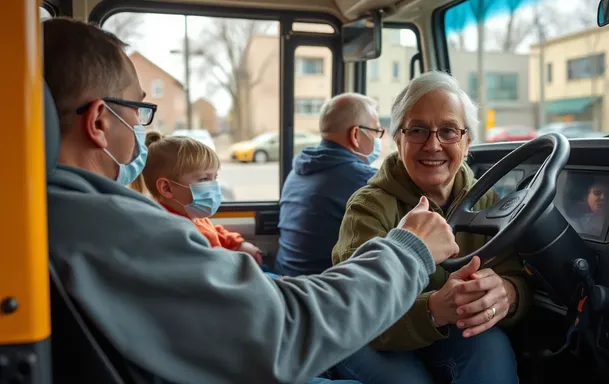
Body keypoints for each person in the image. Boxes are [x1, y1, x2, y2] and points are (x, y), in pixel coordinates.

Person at [43, 17, 467, 383]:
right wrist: (409, 251)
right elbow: (281, 332)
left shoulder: (69, 213)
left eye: (450, 131)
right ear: (100, 121)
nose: (141, 124)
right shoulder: (110, 227)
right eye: (136, 109)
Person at [329, 71, 532, 384]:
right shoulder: (367, 207)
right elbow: (356, 309)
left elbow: (515, 275)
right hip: (371, 336)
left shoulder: (487, 198)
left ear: (466, 142)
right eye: (418, 130)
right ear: (398, 139)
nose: (433, 144)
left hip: (448, 333)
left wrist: (507, 293)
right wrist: (434, 309)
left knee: (492, 347)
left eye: (448, 131)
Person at [276, 93, 382, 276]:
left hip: (284, 282)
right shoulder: (365, 179)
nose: (378, 140)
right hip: (321, 293)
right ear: (356, 134)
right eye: (376, 132)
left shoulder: (298, 170)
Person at [129, 131, 263, 265]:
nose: (214, 186)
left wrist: (237, 244)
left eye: (214, 178)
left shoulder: (193, 215)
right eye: (204, 179)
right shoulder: (173, 231)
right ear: (167, 188)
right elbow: (208, 265)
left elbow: (215, 232)